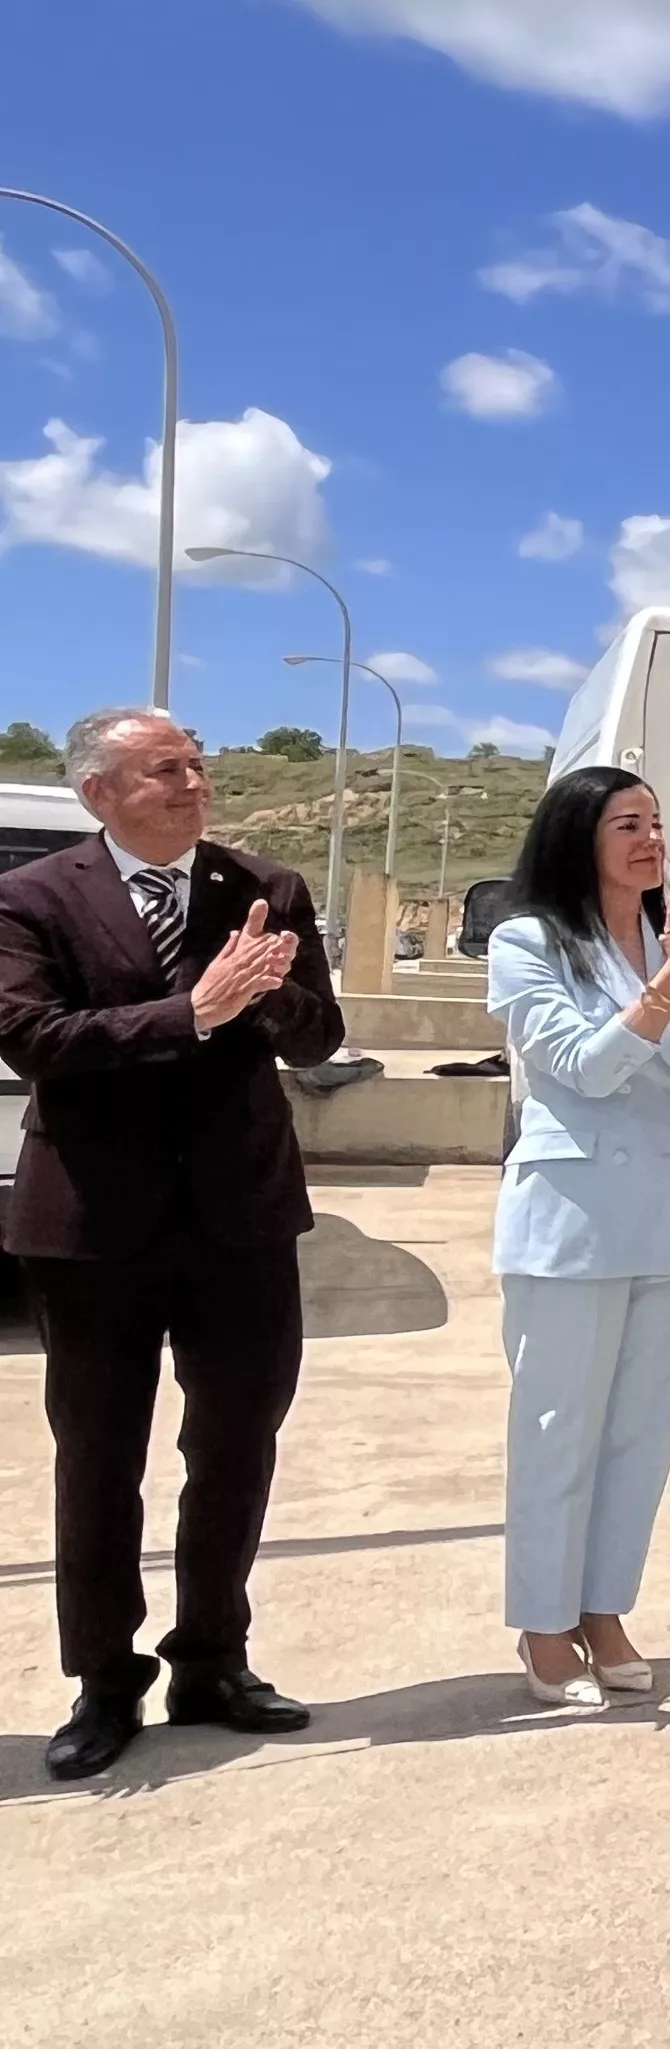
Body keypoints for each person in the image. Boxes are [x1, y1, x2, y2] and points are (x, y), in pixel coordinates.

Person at [0, 707, 344, 1780]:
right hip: (94, 1227)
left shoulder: (265, 888)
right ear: (99, 792)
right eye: (166, 769)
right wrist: (189, 1012)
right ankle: (105, 1683)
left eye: (199, 763)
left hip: (240, 1220)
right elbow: (31, 1038)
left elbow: (322, 1036)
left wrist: (269, 994)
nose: (195, 780)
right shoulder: (30, 898)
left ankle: (213, 1661)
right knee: (99, 1463)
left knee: (235, 1449)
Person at [486, 768, 670, 1706]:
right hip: (579, 1220)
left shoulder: (668, 933)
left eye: (656, 821)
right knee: (560, 1429)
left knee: (641, 1432)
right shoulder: (528, 942)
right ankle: (545, 1624)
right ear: (576, 838)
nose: (649, 839)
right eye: (625, 824)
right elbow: (584, 1070)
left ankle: (605, 1609)